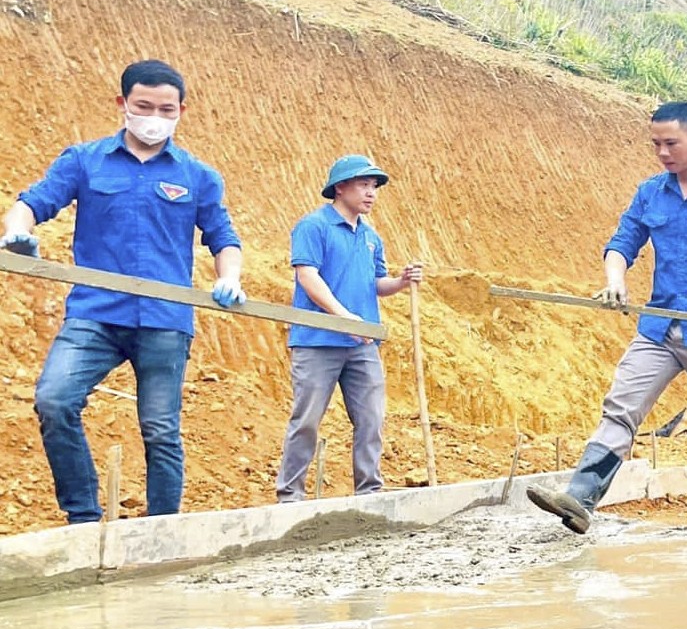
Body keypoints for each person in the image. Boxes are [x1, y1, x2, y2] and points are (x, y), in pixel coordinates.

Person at [2, 59, 244, 524]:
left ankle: (161, 530)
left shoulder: (198, 176)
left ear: (180, 111)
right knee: (55, 400)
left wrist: (229, 276)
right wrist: (17, 231)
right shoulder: (84, 161)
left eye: (166, 108)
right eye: (144, 106)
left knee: (160, 430)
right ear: (123, 104)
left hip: (164, 320)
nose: (154, 116)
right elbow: (33, 202)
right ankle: (83, 520)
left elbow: (223, 238)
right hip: (95, 314)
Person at [528, 102, 687, 532]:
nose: (662, 153)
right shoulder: (650, 192)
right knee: (620, 408)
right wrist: (615, 280)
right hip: (659, 330)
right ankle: (580, 500)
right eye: (656, 144)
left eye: (670, 143)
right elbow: (622, 242)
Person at [275, 155, 423, 502]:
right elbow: (307, 276)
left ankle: (369, 493)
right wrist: (342, 316)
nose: (371, 194)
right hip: (317, 342)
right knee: (307, 420)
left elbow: (375, 283)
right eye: (363, 185)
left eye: (374, 187)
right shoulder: (313, 226)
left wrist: (400, 282)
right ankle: (290, 496)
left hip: (362, 343)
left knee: (372, 419)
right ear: (340, 187)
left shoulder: (370, 236)